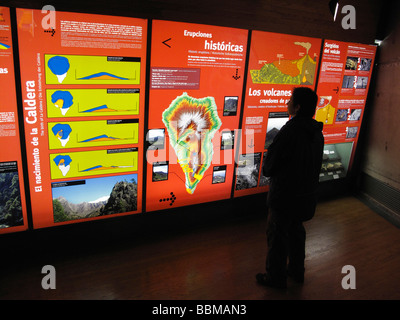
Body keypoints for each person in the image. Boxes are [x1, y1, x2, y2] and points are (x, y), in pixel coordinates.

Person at [256, 87, 324, 289]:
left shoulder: (289, 131)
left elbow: (269, 167)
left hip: (284, 198)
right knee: (296, 232)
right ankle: (296, 271)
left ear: (297, 106)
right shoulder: (316, 132)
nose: (286, 103)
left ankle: (275, 279)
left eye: (289, 100)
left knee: (277, 236)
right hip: (305, 197)